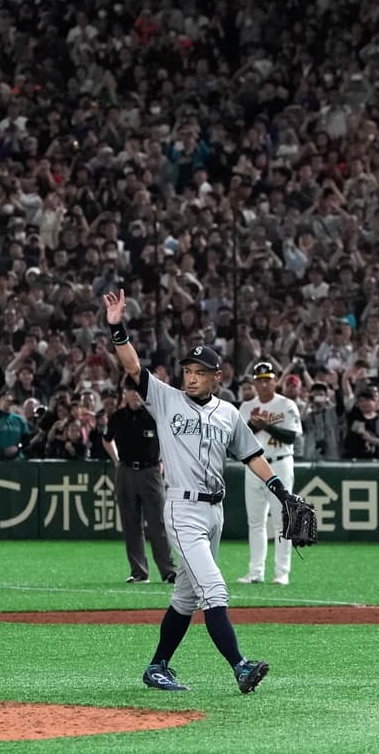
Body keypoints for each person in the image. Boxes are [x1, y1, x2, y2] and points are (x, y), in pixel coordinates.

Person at [104, 288, 294, 695]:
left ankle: (157, 667)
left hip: (215, 513)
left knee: (186, 598)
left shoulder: (228, 413)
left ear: (215, 377)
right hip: (182, 509)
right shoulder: (166, 399)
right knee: (215, 588)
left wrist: (281, 491)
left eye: (199, 371)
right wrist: (118, 328)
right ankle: (240, 667)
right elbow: (134, 367)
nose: (190, 376)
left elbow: (252, 454)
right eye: (187, 370)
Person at [104, 381, 177, 585]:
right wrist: (116, 460)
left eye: (138, 391)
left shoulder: (154, 415)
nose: (135, 394)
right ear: (124, 393)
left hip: (151, 471)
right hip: (126, 471)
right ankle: (139, 572)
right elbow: (106, 439)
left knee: (158, 523)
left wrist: (163, 460)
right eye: (130, 390)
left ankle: (168, 570)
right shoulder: (118, 417)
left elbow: (169, 439)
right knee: (131, 524)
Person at [236, 361, 302, 586]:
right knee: (256, 522)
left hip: (280, 463)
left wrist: (266, 426)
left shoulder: (286, 404)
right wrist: (254, 427)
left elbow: (291, 437)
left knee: (282, 519)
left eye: (268, 380)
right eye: (260, 380)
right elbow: (237, 441)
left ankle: (281, 572)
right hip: (253, 466)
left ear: (275, 381)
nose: (264, 384)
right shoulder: (246, 406)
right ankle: (256, 571)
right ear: (254, 382)